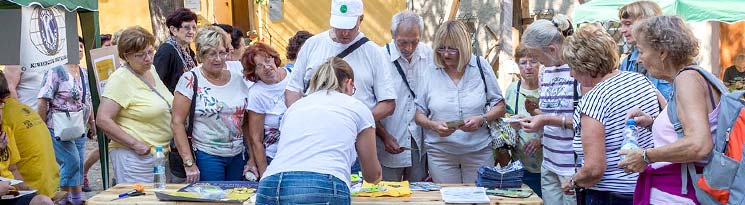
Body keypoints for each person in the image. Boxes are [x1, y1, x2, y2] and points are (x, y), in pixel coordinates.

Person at [620, 15, 724, 205]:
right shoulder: (693, 77)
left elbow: (698, 144)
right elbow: (689, 129)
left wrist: (645, 155)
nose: (639, 59)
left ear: (662, 52)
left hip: (681, 195)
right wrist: (653, 123)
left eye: (641, 51)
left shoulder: (687, 80)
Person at [284, 0, 395, 173]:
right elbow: (293, 90)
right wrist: (304, 119)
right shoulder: (312, 45)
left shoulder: (374, 52)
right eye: (339, 26)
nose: (344, 33)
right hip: (312, 138)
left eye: (350, 27)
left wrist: (355, 122)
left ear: (361, 19)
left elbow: (388, 104)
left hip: (355, 140)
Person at [256, 57, 382, 205]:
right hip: (322, 183)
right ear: (349, 83)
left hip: (270, 183)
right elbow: (371, 174)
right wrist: (376, 177)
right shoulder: (357, 107)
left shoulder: (296, 107)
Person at [557, 24, 659, 205]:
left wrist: (573, 181)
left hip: (611, 195)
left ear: (586, 65)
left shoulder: (594, 100)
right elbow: (669, 123)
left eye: (572, 67)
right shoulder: (641, 80)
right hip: (648, 188)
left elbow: (594, 169)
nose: (572, 74)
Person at [414, 20, 506, 184]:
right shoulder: (430, 71)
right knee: (447, 199)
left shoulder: (480, 66)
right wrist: (433, 125)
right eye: (442, 48)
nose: (446, 54)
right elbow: (419, 114)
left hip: (479, 151)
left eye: (452, 49)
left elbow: (499, 105)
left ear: (463, 47)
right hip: (441, 153)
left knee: (478, 199)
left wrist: (482, 119)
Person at [170, 26, 251, 183]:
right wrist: (189, 163)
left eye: (222, 52)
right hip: (207, 155)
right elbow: (176, 123)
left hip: (237, 155)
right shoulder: (190, 80)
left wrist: (251, 158)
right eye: (212, 54)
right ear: (201, 54)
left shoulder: (238, 79)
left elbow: (246, 120)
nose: (218, 58)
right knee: (213, 199)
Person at [96, 26, 174, 183]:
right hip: (135, 157)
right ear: (126, 56)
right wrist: (135, 144)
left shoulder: (150, 70)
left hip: (159, 154)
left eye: (150, 52)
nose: (148, 58)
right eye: (140, 55)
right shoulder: (121, 79)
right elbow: (103, 119)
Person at [519, 14, 578, 205]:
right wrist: (534, 117)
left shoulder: (578, 70)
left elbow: (586, 121)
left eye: (536, 57)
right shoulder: (546, 71)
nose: (537, 63)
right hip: (550, 161)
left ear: (552, 49)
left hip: (572, 166)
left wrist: (545, 120)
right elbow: (551, 113)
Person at [36, 37, 95, 205]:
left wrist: (92, 122)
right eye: (75, 46)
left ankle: (75, 200)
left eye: (82, 46)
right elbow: (43, 99)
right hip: (58, 125)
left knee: (77, 163)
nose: (79, 49)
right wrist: (41, 127)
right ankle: (59, 199)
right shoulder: (56, 71)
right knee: (72, 161)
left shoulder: (84, 72)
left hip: (79, 126)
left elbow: (87, 100)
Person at [376, 11, 431, 182]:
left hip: (419, 144)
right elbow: (369, 106)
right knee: (386, 195)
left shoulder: (428, 55)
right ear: (392, 35)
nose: (409, 48)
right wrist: (384, 136)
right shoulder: (379, 58)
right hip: (387, 140)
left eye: (414, 42)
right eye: (403, 43)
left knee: (417, 197)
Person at [1, 71, 59, 202]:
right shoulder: (21, 108)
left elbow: (12, 168)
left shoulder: (6, 120)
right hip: (48, 184)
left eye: (0, 106)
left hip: (30, 188)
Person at [242, 42, 288, 178]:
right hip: (274, 157)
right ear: (253, 73)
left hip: (299, 154)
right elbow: (256, 139)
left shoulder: (293, 77)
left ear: (274, 58)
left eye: (268, 60)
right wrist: (264, 175)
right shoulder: (257, 94)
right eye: (259, 66)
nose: (267, 68)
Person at [504, 45, 543, 197]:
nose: (528, 67)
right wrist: (512, 127)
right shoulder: (513, 89)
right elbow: (505, 123)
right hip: (519, 165)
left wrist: (541, 140)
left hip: (545, 165)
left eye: (533, 62)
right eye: (523, 63)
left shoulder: (546, 89)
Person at [0, 104, 54, 205]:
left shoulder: (6, 131)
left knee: (43, 201)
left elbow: (13, 169)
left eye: (0, 107)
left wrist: (24, 186)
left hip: (9, 192)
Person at [618, 1, 671, 101]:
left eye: (628, 24)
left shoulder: (670, 58)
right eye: (622, 24)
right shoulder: (627, 62)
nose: (622, 30)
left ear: (646, 23)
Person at [154, 8, 198, 93]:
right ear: (173, 30)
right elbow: (157, 83)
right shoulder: (166, 51)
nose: (191, 32)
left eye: (194, 28)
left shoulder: (189, 52)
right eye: (187, 28)